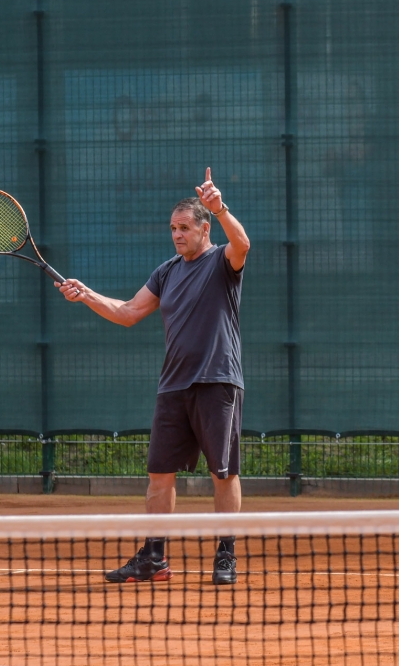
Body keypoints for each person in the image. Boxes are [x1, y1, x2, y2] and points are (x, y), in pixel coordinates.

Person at [56, 167, 250, 586]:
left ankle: (226, 554)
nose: (177, 234)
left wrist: (221, 209)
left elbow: (243, 244)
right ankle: (154, 557)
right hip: (173, 386)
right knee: (160, 475)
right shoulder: (166, 272)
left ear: (204, 229)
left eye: (185, 228)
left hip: (217, 382)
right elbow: (128, 312)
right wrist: (86, 294)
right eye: (173, 229)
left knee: (223, 474)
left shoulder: (222, 261)